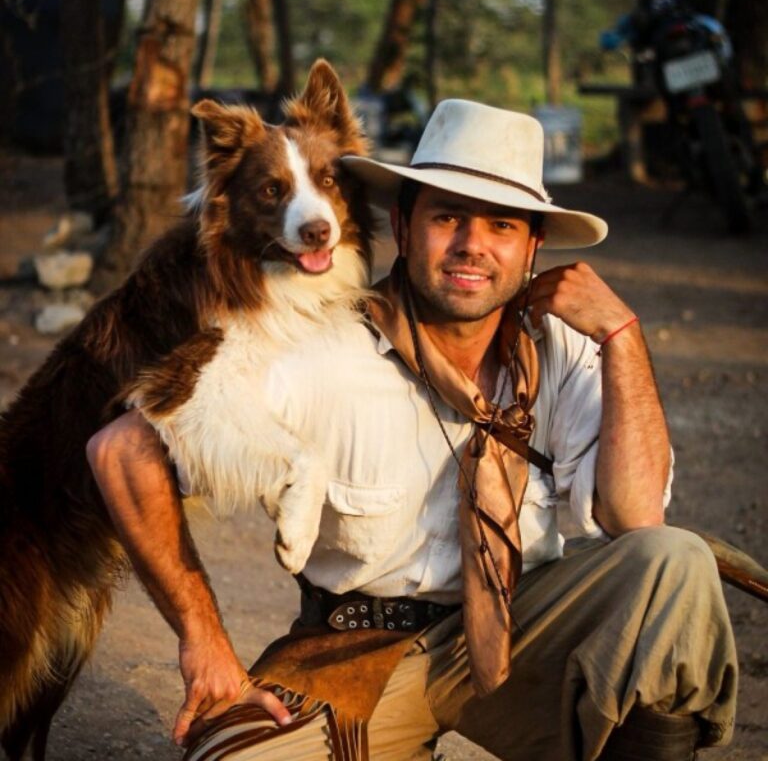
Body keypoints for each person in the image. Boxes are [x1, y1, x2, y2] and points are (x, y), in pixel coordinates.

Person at [87, 99, 736, 761]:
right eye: (447, 217)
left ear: (533, 246)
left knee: (674, 562)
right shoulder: (321, 347)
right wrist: (202, 638)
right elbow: (121, 450)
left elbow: (636, 516)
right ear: (402, 224)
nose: (472, 245)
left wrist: (622, 337)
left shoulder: (560, 347)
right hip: (358, 653)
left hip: (526, 633)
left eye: (501, 224)